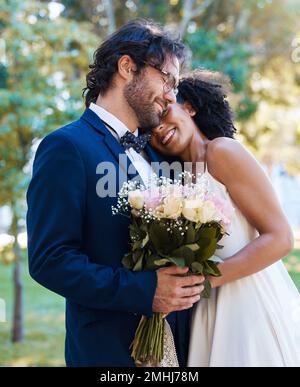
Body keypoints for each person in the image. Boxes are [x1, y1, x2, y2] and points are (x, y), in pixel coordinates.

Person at [26, 19, 204, 367]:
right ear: (127, 67)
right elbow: (50, 260)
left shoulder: (156, 154)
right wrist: (144, 291)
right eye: (167, 79)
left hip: (178, 351)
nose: (171, 95)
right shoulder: (66, 147)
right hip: (109, 352)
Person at [150, 69, 300, 366]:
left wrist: (204, 281)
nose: (158, 130)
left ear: (189, 106)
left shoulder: (221, 152)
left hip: (247, 303)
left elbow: (281, 238)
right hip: (207, 309)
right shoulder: (178, 181)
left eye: (164, 113)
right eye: (149, 129)